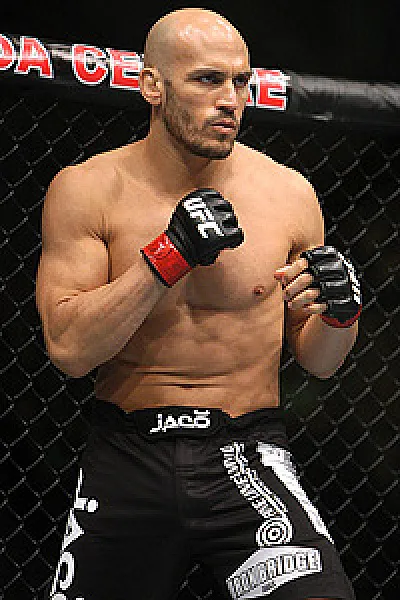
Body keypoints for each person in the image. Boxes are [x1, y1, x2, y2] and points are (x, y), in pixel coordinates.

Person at [36, 8, 361, 600]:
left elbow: (320, 360)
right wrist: (166, 257)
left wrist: (342, 314)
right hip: (127, 455)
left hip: (248, 454)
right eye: (208, 80)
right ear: (152, 85)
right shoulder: (87, 189)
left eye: (241, 81)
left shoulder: (287, 193)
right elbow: (70, 350)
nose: (231, 100)